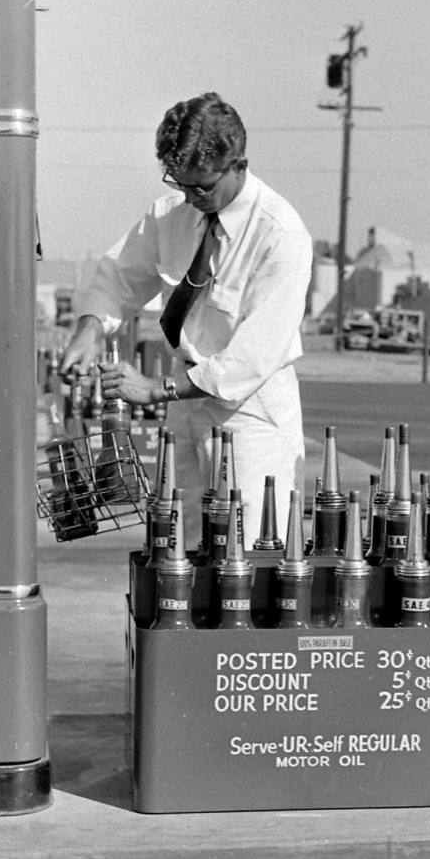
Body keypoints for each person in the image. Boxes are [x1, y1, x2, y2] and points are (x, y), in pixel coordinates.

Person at [60, 92, 312, 540]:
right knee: (180, 547)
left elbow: (253, 357)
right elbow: (117, 278)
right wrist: (90, 328)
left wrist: (154, 388)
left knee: (246, 550)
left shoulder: (281, 235)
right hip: (186, 406)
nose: (191, 197)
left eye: (202, 186)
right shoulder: (168, 215)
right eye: (178, 183)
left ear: (238, 163)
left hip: (248, 414)